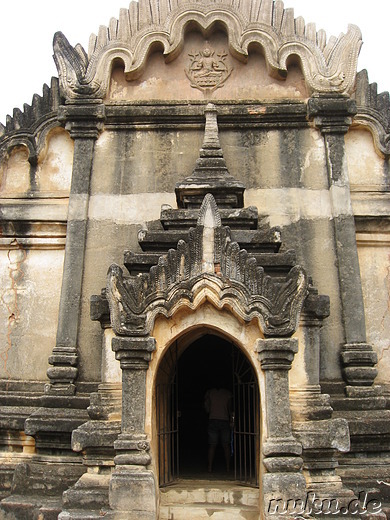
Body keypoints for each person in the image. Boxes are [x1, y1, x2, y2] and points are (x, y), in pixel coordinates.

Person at [204, 383, 233, 473]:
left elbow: (207, 409)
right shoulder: (228, 393)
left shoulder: (209, 393)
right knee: (226, 445)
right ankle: (228, 468)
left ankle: (209, 468)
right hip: (224, 420)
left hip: (213, 419)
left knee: (212, 445)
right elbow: (230, 409)